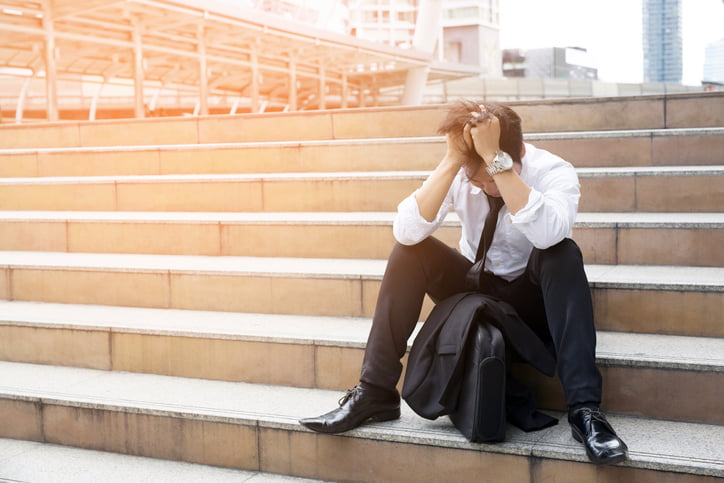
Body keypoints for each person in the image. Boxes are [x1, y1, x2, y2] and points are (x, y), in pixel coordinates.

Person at [299, 100, 628, 466]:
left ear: (518, 152)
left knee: (562, 253)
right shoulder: (461, 171)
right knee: (409, 252)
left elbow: (550, 234)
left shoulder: (553, 170)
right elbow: (407, 231)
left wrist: (497, 162)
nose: (489, 188)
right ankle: (376, 392)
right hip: (477, 292)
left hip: (534, 304)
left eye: (496, 176)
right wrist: (452, 160)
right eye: (479, 180)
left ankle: (585, 410)